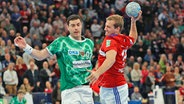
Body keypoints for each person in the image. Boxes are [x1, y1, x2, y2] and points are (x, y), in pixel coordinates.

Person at [14, 14, 94, 104]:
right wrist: (26, 47)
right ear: (68, 27)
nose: (76, 28)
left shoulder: (89, 43)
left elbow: (88, 65)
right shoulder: (61, 42)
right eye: (73, 25)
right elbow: (40, 55)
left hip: (87, 90)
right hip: (70, 91)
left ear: (81, 25)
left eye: (78, 25)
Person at [87, 11, 142, 104]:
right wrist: (133, 22)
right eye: (105, 26)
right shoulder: (122, 39)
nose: (105, 29)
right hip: (107, 86)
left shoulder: (110, 40)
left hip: (115, 87)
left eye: (108, 27)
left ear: (117, 28)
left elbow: (111, 59)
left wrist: (97, 73)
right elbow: (133, 38)